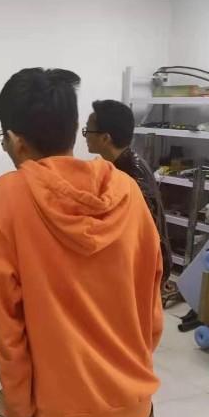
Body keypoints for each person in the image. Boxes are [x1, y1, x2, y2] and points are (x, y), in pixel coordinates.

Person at [0, 68, 163, 417]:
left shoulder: (10, 196)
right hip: (135, 405)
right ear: (73, 127)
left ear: (16, 140)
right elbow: (151, 299)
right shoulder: (126, 189)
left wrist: (17, 405)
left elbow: (8, 318)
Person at [83, 100, 172, 290]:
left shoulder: (131, 176)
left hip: (147, 267)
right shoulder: (122, 163)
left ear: (105, 138)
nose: (85, 136)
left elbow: (141, 236)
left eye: (87, 131)